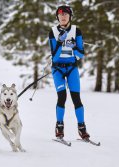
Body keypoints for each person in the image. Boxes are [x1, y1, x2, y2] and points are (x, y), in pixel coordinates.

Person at [48, 5, 90, 140]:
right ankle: (59, 127)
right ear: (57, 17)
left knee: (76, 99)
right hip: (58, 69)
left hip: (72, 68)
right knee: (62, 97)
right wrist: (60, 42)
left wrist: (73, 46)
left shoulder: (76, 31)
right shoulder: (53, 32)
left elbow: (81, 54)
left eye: (65, 14)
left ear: (70, 17)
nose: (63, 17)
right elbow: (54, 57)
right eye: (60, 15)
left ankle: (82, 128)